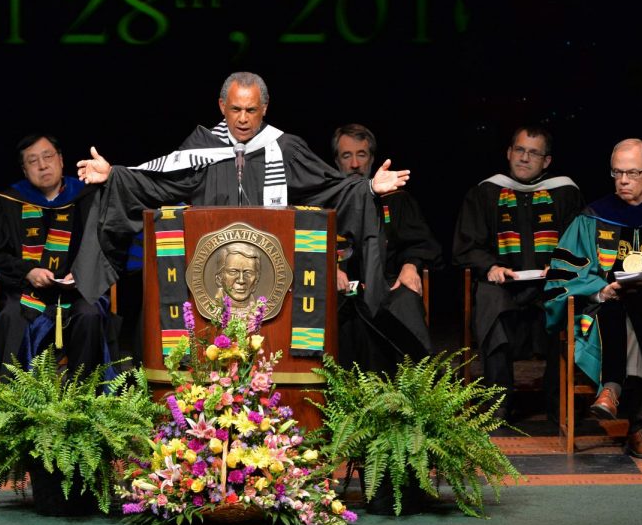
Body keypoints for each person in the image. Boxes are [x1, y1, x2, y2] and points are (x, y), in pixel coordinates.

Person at [73, 72, 410, 317]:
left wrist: (367, 187)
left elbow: (327, 188)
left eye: (251, 110)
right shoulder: (203, 147)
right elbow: (159, 183)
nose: (243, 120)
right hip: (209, 273)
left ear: (264, 108)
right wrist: (115, 173)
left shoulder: (285, 148)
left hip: (278, 273)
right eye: (236, 109)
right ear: (222, 106)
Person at [544, 138, 642, 458]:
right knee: (623, 302)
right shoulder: (592, 217)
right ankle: (639, 428)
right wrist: (600, 289)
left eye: (631, 173)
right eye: (617, 173)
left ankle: (611, 389)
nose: (623, 181)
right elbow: (564, 272)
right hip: (603, 310)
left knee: (641, 302)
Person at [453, 125, 584, 419]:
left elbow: (580, 241)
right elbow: (467, 245)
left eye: (534, 153)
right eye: (520, 150)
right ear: (509, 152)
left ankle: (557, 402)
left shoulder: (565, 192)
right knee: (489, 299)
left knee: (568, 298)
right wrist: (491, 267)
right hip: (504, 285)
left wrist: (561, 265)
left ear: (546, 161)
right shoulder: (486, 192)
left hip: (549, 284)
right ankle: (499, 404)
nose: (525, 158)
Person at [0, 133, 120, 377]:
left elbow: (111, 246)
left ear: (61, 160)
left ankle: (84, 399)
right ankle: (19, 402)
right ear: (24, 170)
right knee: (10, 316)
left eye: (48, 156)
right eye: (33, 161)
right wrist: (28, 272)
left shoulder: (88, 196)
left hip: (80, 291)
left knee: (90, 314)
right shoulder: (7, 202)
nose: (43, 165)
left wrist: (83, 273)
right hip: (26, 291)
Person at [331, 124, 442, 370]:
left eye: (362, 155)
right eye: (346, 156)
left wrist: (411, 265)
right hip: (340, 288)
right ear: (336, 161)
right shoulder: (327, 201)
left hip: (388, 284)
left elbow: (421, 242)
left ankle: (417, 393)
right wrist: (330, 268)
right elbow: (307, 244)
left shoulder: (396, 199)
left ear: (371, 159)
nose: (355, 164)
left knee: (406, 302)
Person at [213, 242, 261, 312]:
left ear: (256, 280)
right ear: (219, 279)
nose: (241, 280)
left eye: (248, 273)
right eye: (233, 272)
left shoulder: (260, 309)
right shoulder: (212, 306)